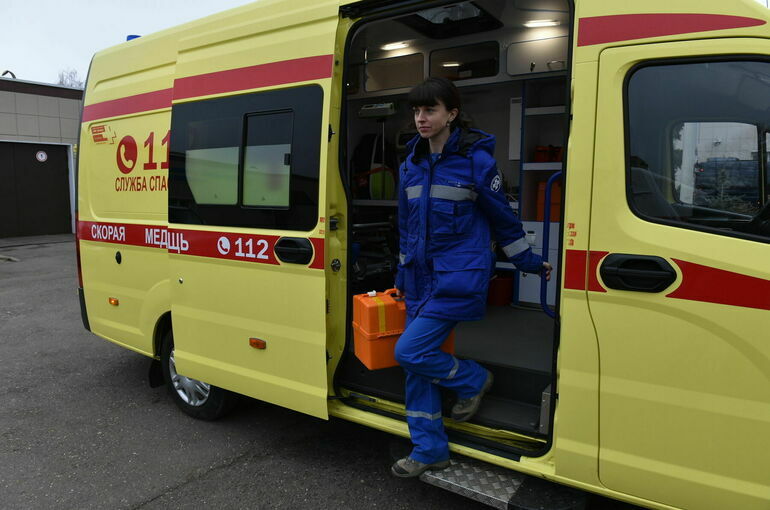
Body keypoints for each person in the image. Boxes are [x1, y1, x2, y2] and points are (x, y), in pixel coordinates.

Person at [391, 77, 552, 478]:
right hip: (418, 280)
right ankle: (429, 450)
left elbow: (503, 219)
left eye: (430, 110)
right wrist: (402, 275)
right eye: (417, 110)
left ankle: (472, 379)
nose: (421, 118)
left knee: (409, 352)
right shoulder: (410, 165)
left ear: (452, 114)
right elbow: (406, 228)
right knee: (416, 370)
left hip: (456, 278)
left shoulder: (476, 162)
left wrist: (529, 262)